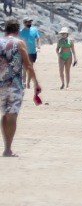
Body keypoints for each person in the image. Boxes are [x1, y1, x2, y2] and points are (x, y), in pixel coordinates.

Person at [1, 20, 40, 156]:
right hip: (15, 85)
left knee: (5, 115)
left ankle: (6, 147)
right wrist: (36, 83)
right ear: (17, 31)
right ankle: (7, 149)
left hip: (0, 84)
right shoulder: (19, 43)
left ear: (6, 30)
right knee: (12, 116)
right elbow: (28, 65)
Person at [18, 19, 39, 87]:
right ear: (24, 23)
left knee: (30, 68)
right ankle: (24, 82)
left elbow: (37, 38)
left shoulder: (34, 30)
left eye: (30, 22)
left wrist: (38, 45)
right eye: (28, 22)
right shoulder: (21, 32)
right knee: (24, 68)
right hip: (24, 52)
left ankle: (28, 82)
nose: (30, 23)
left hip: (33, 52)